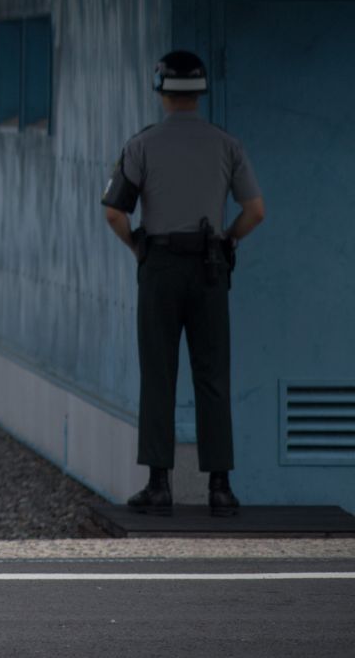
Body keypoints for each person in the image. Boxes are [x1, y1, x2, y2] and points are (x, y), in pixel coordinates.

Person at [102, 50, 266, 518]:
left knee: (159, 373)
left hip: (160, 268)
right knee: (212, 375)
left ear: (160, 90)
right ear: (201, 91)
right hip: (211, 267)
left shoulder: (142, 145)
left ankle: (159, 485)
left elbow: (115, 210)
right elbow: (255, 211)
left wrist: (138, 246)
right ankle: (220, 487)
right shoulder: (226, 144)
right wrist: (228, 240)